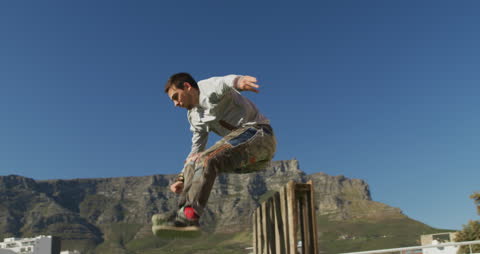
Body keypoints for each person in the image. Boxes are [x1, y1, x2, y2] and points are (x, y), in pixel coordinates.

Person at [152, 73, 277, 235]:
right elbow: (196, 148)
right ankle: (183, 214)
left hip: (260, 136)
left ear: (187, 87)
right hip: (249, 160)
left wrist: (239, 81)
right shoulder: (194, 116)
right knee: (193, 160)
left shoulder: (207, 88)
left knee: (206, 158)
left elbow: (225, 82)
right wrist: (182, 178)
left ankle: (189, 217)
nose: (176, 104)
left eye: (176, 97)